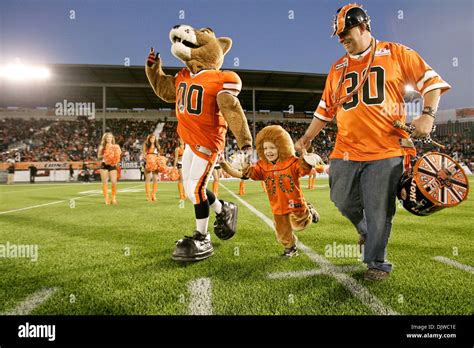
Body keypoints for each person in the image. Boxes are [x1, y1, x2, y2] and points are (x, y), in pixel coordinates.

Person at [295, 3, 450, 281]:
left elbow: (432, 84)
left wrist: (427, 115)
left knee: (379, 209)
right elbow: (324, 110)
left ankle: (377, 263)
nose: (341, 39)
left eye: (345, 32)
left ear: (363, 27)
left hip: (386, 150)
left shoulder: (396, 53)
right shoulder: (337, 67)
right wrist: (307, 137)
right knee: (340, 198)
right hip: (345, 149)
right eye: (338, 35)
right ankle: (364, 230)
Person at [221, 125, 320, 257]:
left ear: (281, 147)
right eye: (265, 148)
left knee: (299, 224)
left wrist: (307, 159)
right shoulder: (263, 165)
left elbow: (302, 168)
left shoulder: (291, 162)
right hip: (277, 205)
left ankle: (309, 211)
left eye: (272, 148)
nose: (268, 151)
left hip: (294, 202)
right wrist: (245, 165)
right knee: (281, 229)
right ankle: (290, 248)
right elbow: (253, 173)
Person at [98, 132, 122, 205]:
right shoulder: (102, 147)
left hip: (112, 165)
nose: (109, 138)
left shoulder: (115, 146)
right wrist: (106, 155)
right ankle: (106, 199)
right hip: (104, 165)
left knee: (114, 182)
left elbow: (117, 156)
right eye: (107, 137)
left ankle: (113, 198)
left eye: (110, 137)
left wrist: (116, 158)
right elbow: (99, 156)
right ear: (105, 138)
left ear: (112, 138)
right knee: (104, 182)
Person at [142, 134, 164, 201]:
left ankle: (153, 195)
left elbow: (159, 156)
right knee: (147, 179)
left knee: (155, 179)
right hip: (148, 163)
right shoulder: (146, 145)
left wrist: (158, 162)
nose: (152, 139)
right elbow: (143, 155)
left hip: (155, 164)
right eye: (151, 138)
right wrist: (148, 160)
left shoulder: (158, 146)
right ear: (149, 139)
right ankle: (148, 196)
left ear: (155, 139)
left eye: (153, 138)